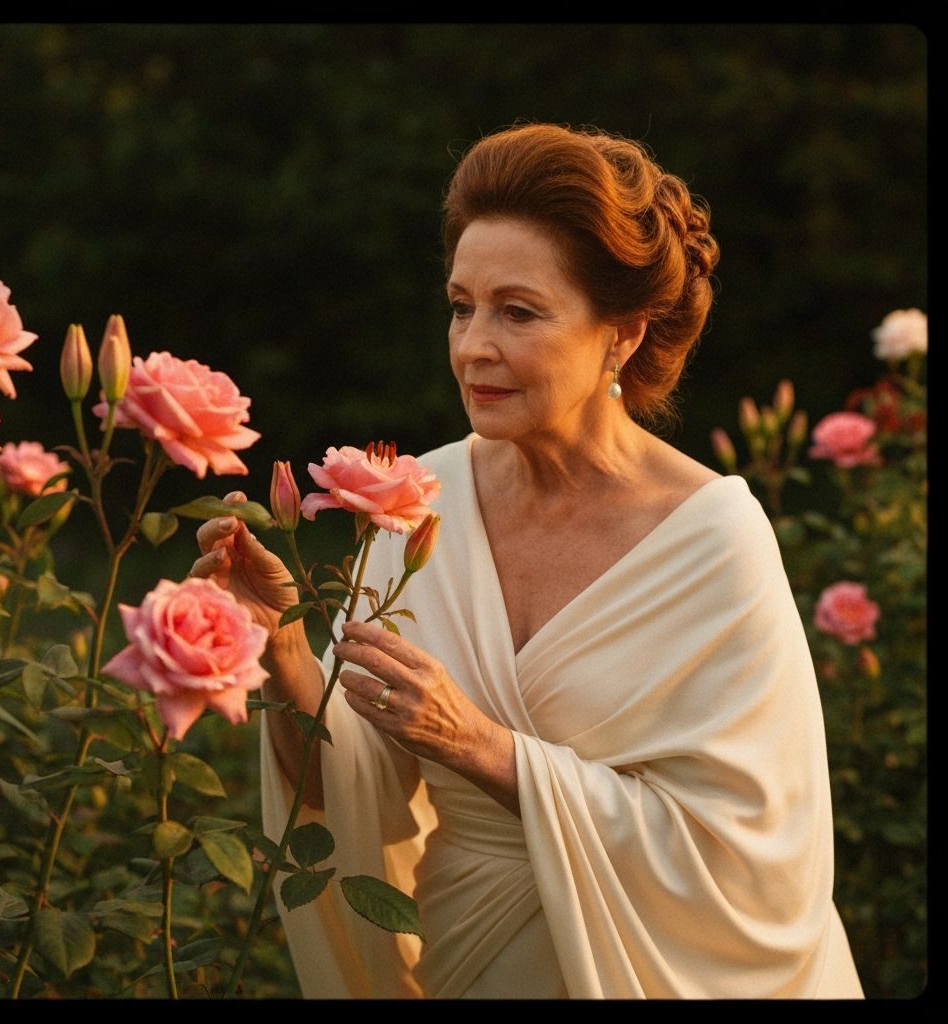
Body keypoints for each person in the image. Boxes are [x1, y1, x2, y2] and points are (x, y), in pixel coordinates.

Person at [189, 123, 864, 999]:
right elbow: (356, 792)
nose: (473, 346)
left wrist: (478, 745)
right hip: (467, 965)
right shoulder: (413, 499)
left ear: (621, 333)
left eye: (519, 311)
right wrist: (282, 650)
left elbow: (753, 861)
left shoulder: (711, 540)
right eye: (461, 305)